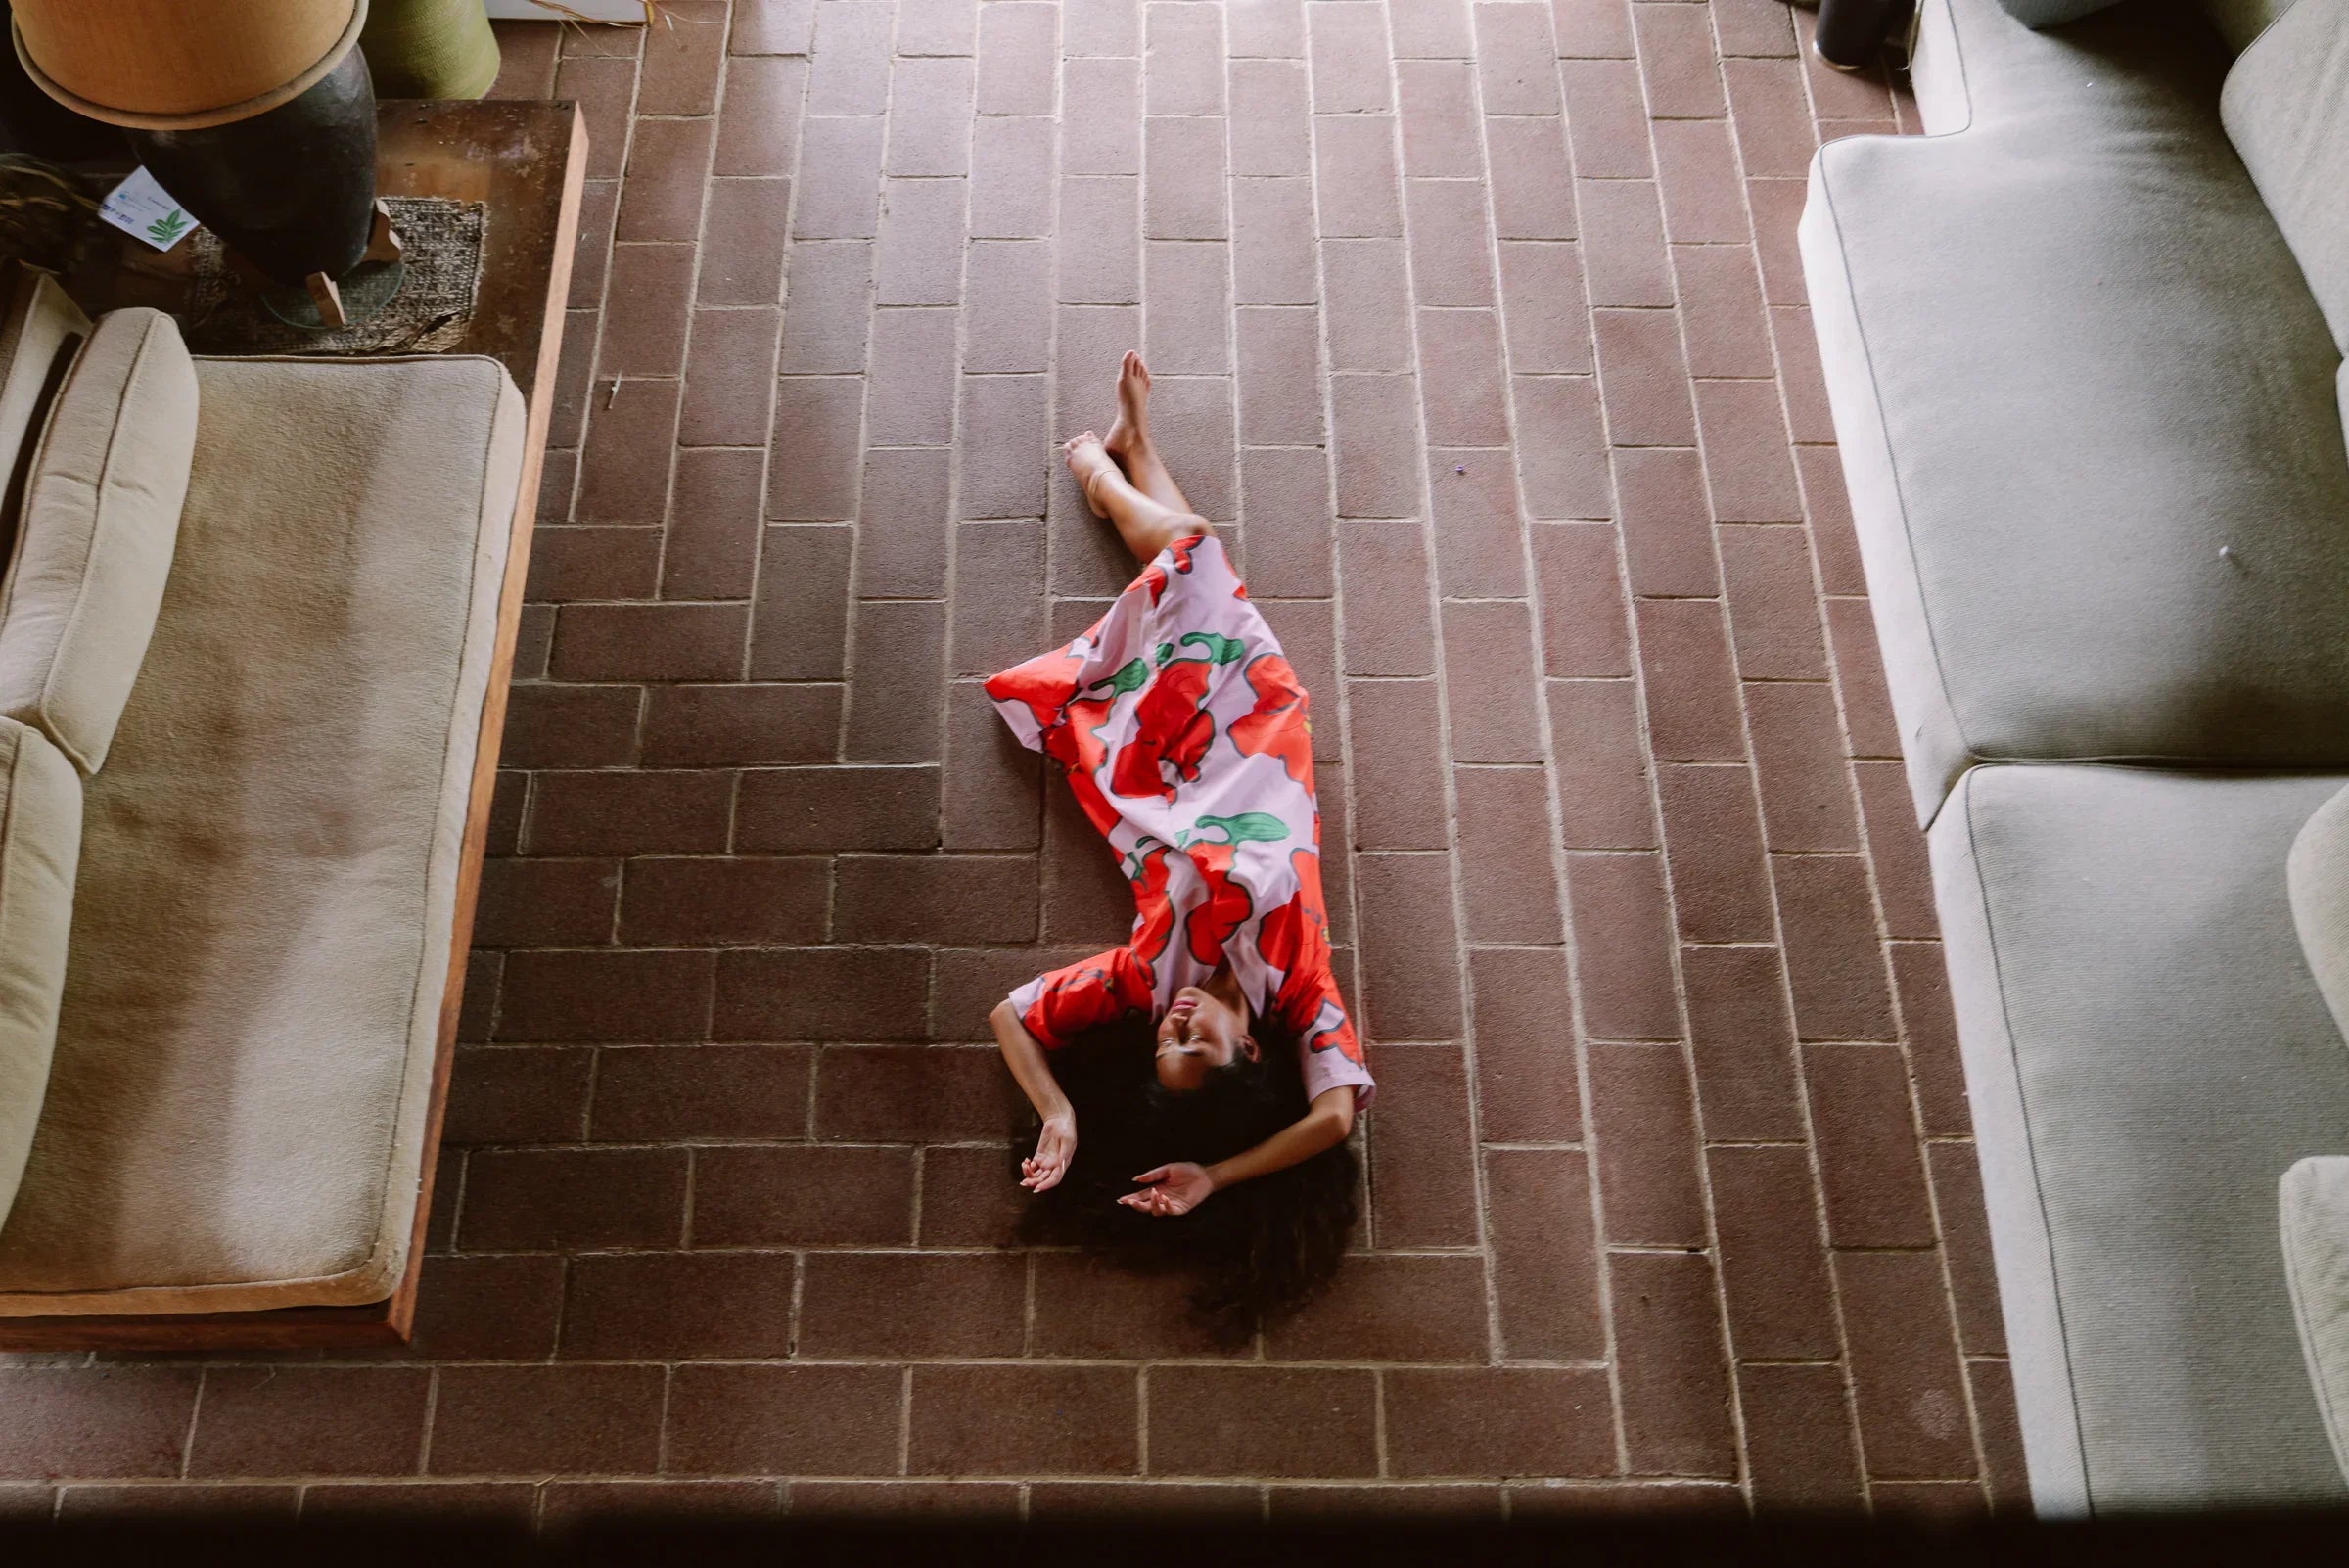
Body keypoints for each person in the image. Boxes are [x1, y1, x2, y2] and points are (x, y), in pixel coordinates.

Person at [983, 352, 1375, 1338]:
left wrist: (1059, 1113)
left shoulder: (1148, 980)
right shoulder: (1301, 991)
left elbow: (1013, 1014)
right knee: (1198, 563)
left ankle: (1110, 470)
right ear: (1251, 1052)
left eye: (1169, 1040)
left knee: (1196, 557)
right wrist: (1219, 1176)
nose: (1180, 1022)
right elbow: (1333, 1119)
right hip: (1258, 734)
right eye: (1199, 1039)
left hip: (1164, 776)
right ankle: (1126, 458)